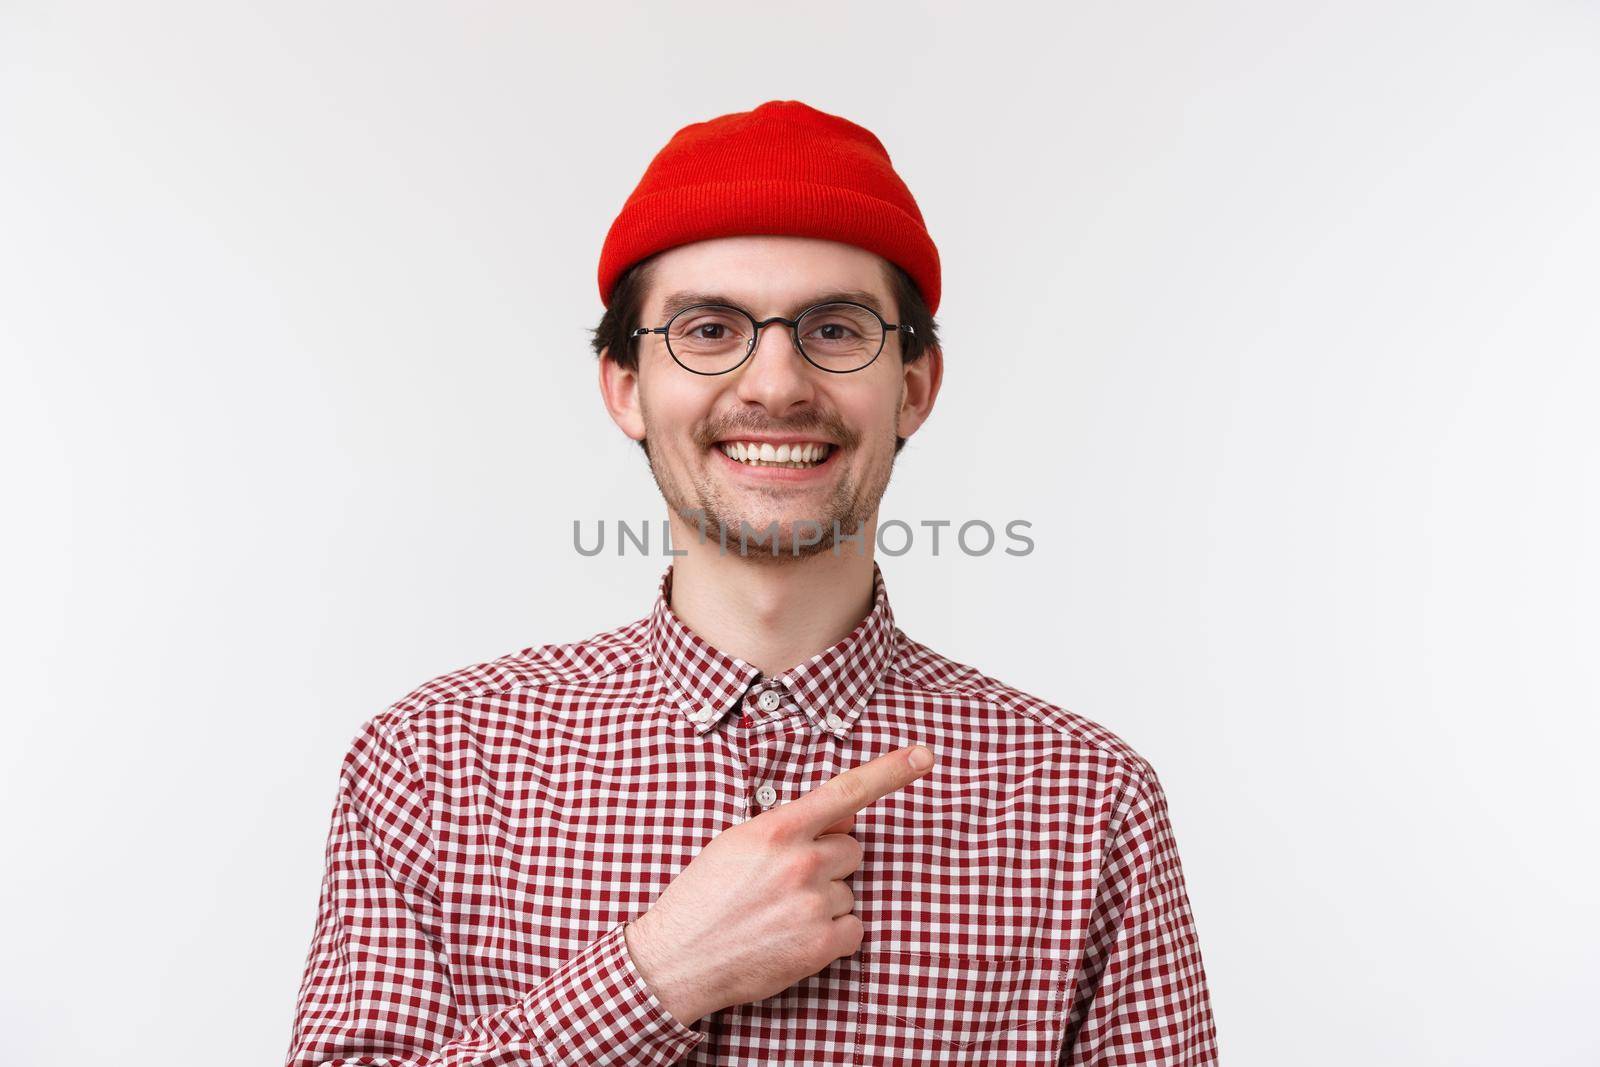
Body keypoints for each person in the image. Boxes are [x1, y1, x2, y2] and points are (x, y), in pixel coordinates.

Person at [284, 99, 1218, 1066]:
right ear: (622, 387)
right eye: (710, 328)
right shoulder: (432, 765)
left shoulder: (1087, 799)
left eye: (836, 328)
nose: (775, 384)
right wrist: (655, 980)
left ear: (914, 386)